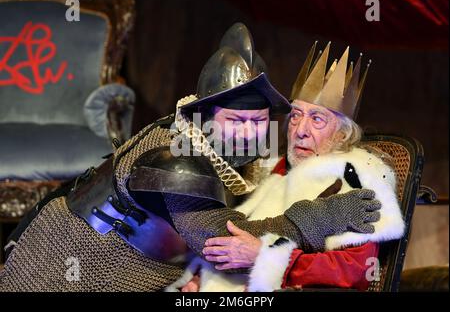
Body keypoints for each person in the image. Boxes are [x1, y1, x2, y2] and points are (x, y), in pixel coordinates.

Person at [0, 24, 380, 292]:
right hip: (69, 276)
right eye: (236, 121)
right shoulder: (178, 161)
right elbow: (225, 243)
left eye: (258, 121)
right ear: (206, 117)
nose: (250, 133)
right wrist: (325, 216)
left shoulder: (246, 161)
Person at [173, 42, 404, 292]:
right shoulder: (276, 170)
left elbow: (352, 271)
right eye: (295, 115)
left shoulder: (357, 177)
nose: (300, 131)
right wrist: (201, 276)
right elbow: (232, 238)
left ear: (342, 133)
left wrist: (266, 258)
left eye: (317, 119)